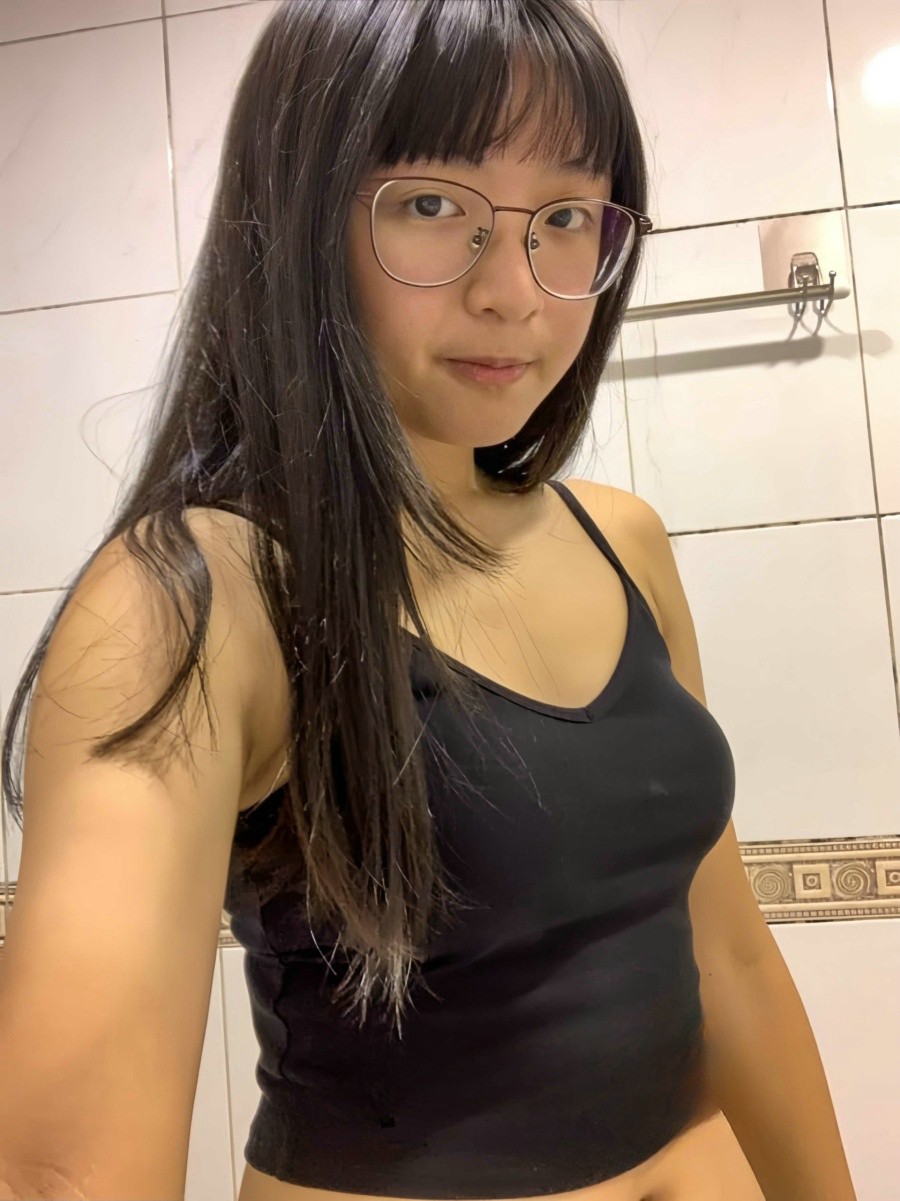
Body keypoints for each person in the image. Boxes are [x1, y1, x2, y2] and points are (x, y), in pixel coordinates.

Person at [0, 2, 770, 1200]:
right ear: (298, 222)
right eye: (430, 205)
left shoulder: (624, 540)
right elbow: (62, 1171)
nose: (513, 291)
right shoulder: (191, 597)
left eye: (565, 218)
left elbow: (730, 956)